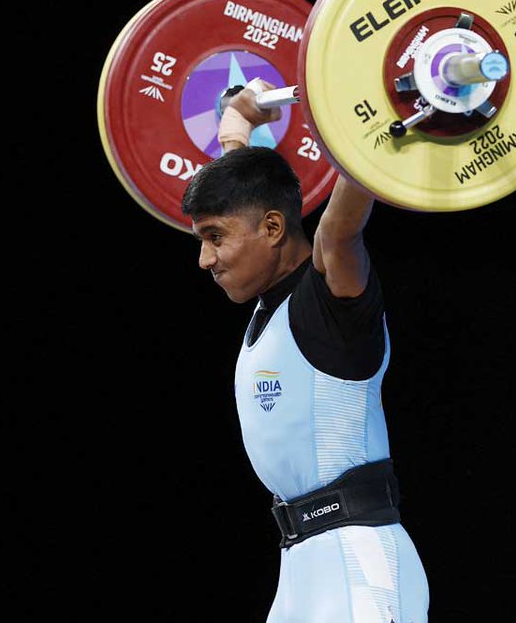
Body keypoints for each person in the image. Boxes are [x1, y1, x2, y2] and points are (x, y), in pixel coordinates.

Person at [180, 78, 429, 623]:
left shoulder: (331, 301)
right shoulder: (269, 297)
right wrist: (235, 126)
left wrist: (374, 127)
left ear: (273, 229)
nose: (205, 259)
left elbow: (340, 233)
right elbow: (244, 189)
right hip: (302, 566)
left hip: (357, 560)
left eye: (214, 238)